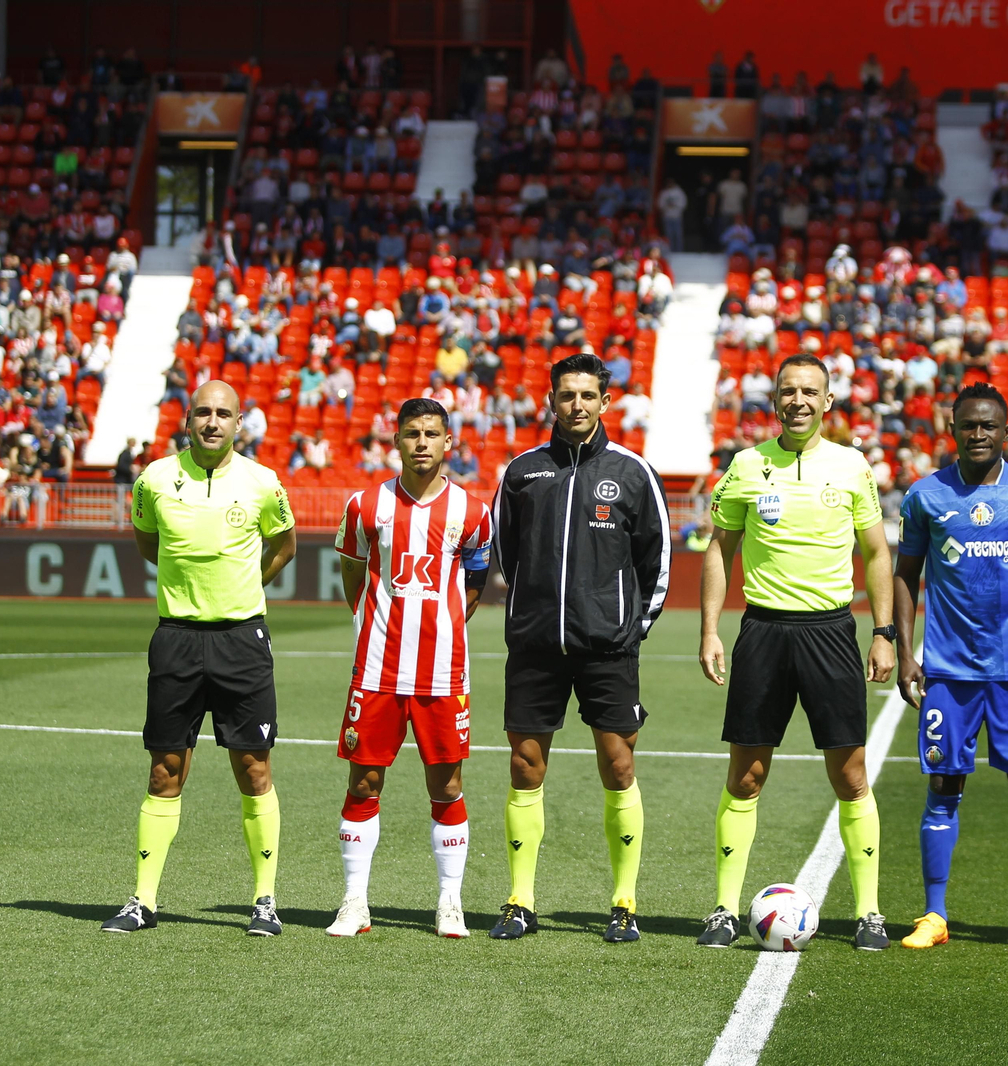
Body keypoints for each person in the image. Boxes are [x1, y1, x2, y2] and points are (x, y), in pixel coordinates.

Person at [697, 352, 896, 950]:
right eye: (789, 391)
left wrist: (882, 632)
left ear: (828, 402)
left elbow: (878, 554)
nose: (799, 401)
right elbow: (718, 550)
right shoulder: (746, 465)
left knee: (851, 775)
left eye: (811, 392)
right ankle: (724, 910)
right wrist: (710, 629)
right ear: (775, 400)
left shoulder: (852, 466)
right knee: (747, 775)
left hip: (832, 632)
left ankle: (869, 914)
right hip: (762, 633)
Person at [101, 381, 298, 936]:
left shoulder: (263, 482)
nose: (213, 422)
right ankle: (142, 901)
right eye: (203, 412)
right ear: (188, 420)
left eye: (224, 414)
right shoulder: (155, 479)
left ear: (240, 423)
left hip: (242, 640)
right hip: (176, 641)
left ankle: (264, 900)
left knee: (253, 768)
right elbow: (147, 541)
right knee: (165, 770)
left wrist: (244, 585)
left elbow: (284, 544)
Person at [488, 352, 672, 943]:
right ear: (550, 400)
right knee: (524, 765)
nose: (577, 406)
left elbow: (656, 561)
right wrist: (529, 617)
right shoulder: (521, 472)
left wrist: (628, 628)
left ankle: (624, 902)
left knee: (618, 765)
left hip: (607, 649)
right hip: (537, 647)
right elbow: (505, 557)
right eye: (567, 395)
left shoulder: (634, 472)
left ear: (605, 402)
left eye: (588, 396)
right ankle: (520, 901)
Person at [892, 382, 1008, 954]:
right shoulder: (925, 496)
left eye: (988, 426)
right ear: (952, 428)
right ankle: (934, 913)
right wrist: (904, 652)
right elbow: (905, 576)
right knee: (943, 785)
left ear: (1005, 433)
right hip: (948, 671)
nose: (978, 434)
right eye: (968, 425)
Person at [327, 398, 494, 940]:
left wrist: (447, 620)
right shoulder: (364, 505)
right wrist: (372, 622)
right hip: (377, 669)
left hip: (443, 673)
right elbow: (353, 573)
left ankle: (450, 902)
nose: (422, 442)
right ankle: (354, 902)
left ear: (449, 443)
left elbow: (476, 573)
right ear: (395, 441)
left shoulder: (471, 511)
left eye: (432, 434)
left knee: (446, 785)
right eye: (412, 433)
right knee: (364, 780)